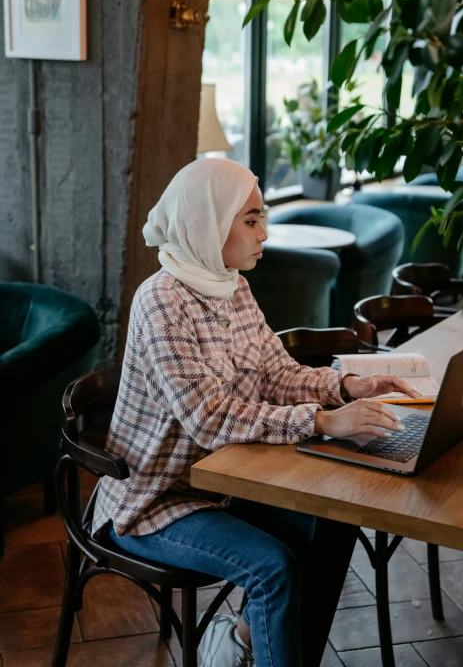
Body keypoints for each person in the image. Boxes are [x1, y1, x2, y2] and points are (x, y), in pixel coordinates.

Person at [92, 158, 416, 667]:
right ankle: (251, 645)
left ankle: (245, 643)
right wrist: (322, 422)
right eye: (250, 219)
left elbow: (275, 373)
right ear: (208, 223)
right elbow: (209, 418)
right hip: (155, 498)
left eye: (262, 217)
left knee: (332, 521)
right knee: (273, 569)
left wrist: (347, 385)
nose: (264, 231)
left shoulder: (231, 284)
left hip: (223, 481)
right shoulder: (160, 302)